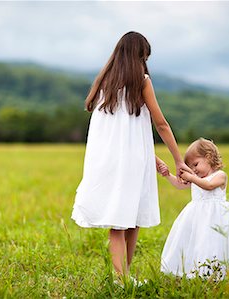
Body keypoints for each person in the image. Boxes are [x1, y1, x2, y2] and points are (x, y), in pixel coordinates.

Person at [71, 31, 193, 283]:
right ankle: (122, 278)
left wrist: (151, 155)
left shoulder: (105, 82)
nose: (143, 62)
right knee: (130, 217)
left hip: (108, 159)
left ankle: (123, 278)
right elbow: (160, 123)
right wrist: (178, 160)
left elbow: (121, 131)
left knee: (122, 218)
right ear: (138, 56)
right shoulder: (142, 81)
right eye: (143, 56)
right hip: (133, 161)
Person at [158, 138, 229, 280]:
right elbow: (181, 185)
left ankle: (218, 272)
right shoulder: (196, 178)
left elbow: (209, 186)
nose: (193, 170)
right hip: (197, 219)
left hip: (215, 220)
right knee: (197, 243)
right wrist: (168, 175)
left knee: (213, 244)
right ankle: (196, 271)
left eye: (195, 164)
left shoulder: (220, 176)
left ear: (208, 157)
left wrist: (191, 177)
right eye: (190, 167)